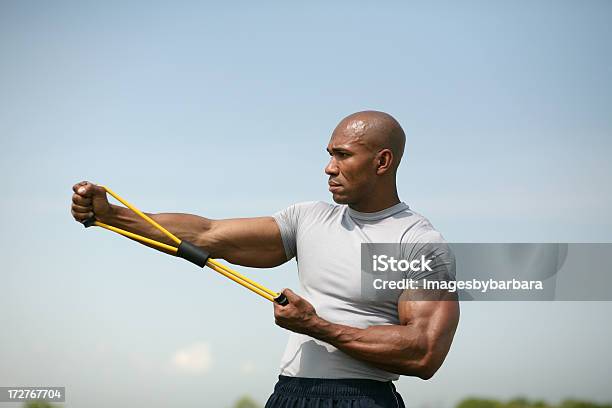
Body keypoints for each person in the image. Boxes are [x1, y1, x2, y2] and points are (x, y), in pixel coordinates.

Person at [71, 111, 460, 408]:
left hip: (363, 397)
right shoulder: (308, 218)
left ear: (382, 162)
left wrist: (317, 326)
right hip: (289, 393)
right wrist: (110, 215)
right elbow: (206, 234)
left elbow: (424, 351)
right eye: (329, 155)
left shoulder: (419, 242)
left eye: (343, 155)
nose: (329, 167)